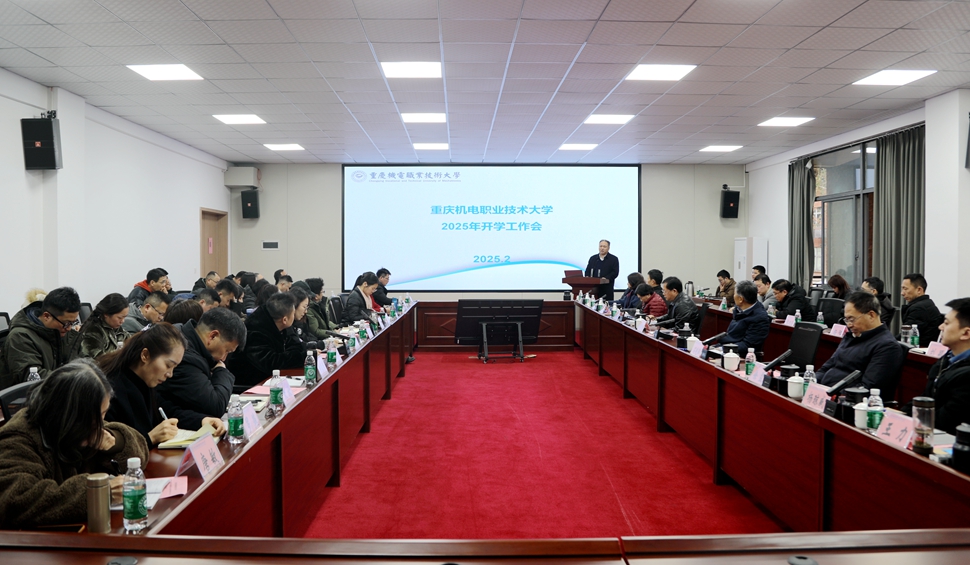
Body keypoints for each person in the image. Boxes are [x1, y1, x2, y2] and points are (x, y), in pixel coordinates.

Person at [0, 359, 148, 529]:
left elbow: (138, 452)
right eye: (96, 419)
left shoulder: (82, 425)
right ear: (69, 415)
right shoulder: (18, 440)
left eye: (103, 415)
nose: (100, 425)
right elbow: (16, 501)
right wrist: (99, 492)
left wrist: (115, 442)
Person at [102, 324, 224, 448]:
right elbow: (107, 445)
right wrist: (150, 438)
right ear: (145, 355)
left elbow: (168, 411)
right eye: (168, 365)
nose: (170, 374)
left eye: (174, 367)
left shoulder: (145, 382)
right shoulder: (110, 389)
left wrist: (202, 421)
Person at [156, 308, 246, 427]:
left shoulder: (183, 334)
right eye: (227, 351)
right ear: (213, 336)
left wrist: (200, 421)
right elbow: (215, 407)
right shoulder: (184, 356)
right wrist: (221, 370)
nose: (224, 358)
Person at [816, 292, 904, 398]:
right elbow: (827, 366)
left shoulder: (887, 346)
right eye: (846, 320)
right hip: (825, 393)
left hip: (846, 400)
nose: (849, 325)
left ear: (871, 315)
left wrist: (833, 396)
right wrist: (812, 384)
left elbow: (867, 388)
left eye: (852, 319)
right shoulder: (851, 336)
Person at [903, 298, 970, 434]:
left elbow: (947, 421)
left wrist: (908, 423)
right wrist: (900, 415)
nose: (940, 327)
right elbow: (926, 398)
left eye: (946, 323)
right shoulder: (946, 359)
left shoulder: (966, 375)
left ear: (965, 333)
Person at [0, 287, 81, 388]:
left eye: (73, 323)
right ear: (47, 316)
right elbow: (33, 378)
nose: (69, 328)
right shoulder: (20, 337)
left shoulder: (62, 332)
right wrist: (76, 379)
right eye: (67, 323)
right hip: (27, 395)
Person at [228, 293, 306, 388]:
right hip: (249, 384)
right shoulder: (255, 331)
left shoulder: (280, 323)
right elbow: (271, 363)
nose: (294, 317)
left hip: (270, 379)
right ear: (285, 319)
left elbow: (296, 345)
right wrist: (303, 357)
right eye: (293, 314)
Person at [719, 280, 771, 355]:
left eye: (734, 294)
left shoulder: (760, 318)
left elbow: (748, 345)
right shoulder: (739, 310)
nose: (733, 296)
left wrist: (723, 349)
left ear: (741, 299)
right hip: (727, 347)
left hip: (738, 354)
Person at [74, 293, 130, 360]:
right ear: (106, 314)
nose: (122, 321)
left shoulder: (116, 328)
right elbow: (98, 360)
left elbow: (132, 343)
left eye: (124, 317)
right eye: (120, 317)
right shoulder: (92, 332)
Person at [900, 273, 944, 346]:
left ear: (919, 290)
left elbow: (906, 335)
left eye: (905, 289)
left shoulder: (919, 308)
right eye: (902, 289)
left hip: (920, 349)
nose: (902, 293)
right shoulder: (926, 303)